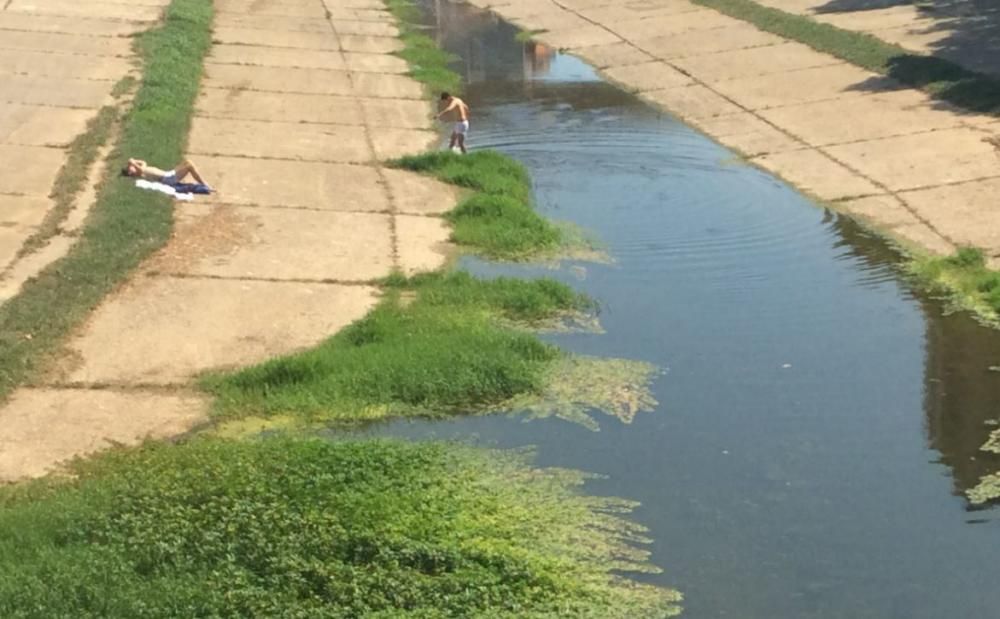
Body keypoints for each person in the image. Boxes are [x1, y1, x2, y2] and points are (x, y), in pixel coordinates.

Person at [121, 157, 210, 188]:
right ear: (130, 173)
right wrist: (132, 163)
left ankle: (200, 180)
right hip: (168, 179)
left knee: (187, 162)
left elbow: (143, 162)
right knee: (189, 165)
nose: (132, 167)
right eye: (130, 168)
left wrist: (134, 161)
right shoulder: (139, 174)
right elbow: (141, 169)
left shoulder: (140, 169)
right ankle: (203, 183)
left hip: (168, 174)